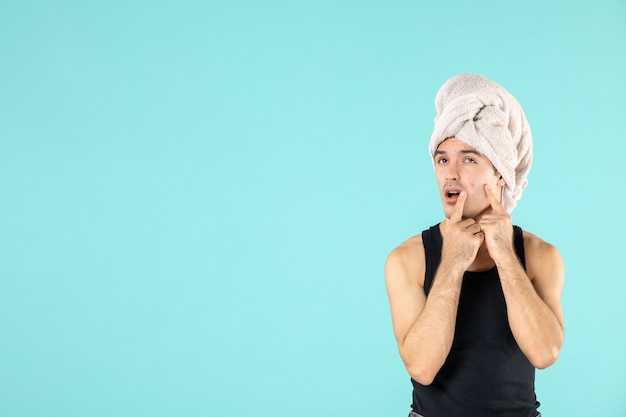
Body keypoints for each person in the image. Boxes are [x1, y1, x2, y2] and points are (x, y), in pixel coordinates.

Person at [384, 74, 565, 417]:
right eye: (442, 159)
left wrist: (505, 256)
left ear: (499, 174)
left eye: (468, 159)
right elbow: (421, 367)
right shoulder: (407, 259)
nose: (451, 173)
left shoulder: (541, 256)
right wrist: (451, 263)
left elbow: (545, 353)